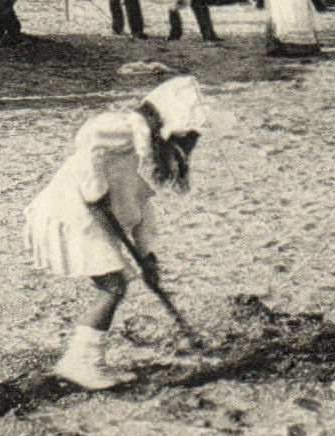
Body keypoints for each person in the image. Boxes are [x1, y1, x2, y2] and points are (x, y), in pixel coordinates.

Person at [26, 76, 210, 390]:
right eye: (184, 135)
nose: (187, 145)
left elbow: (141, 207)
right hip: (74, 210)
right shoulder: (126, 129)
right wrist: (93, 185)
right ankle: (78, 363)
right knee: (113, 285)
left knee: (116, 284)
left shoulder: (146, 153)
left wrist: (147, 256)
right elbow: (90, 134)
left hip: (95, 215)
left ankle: (85, 360)